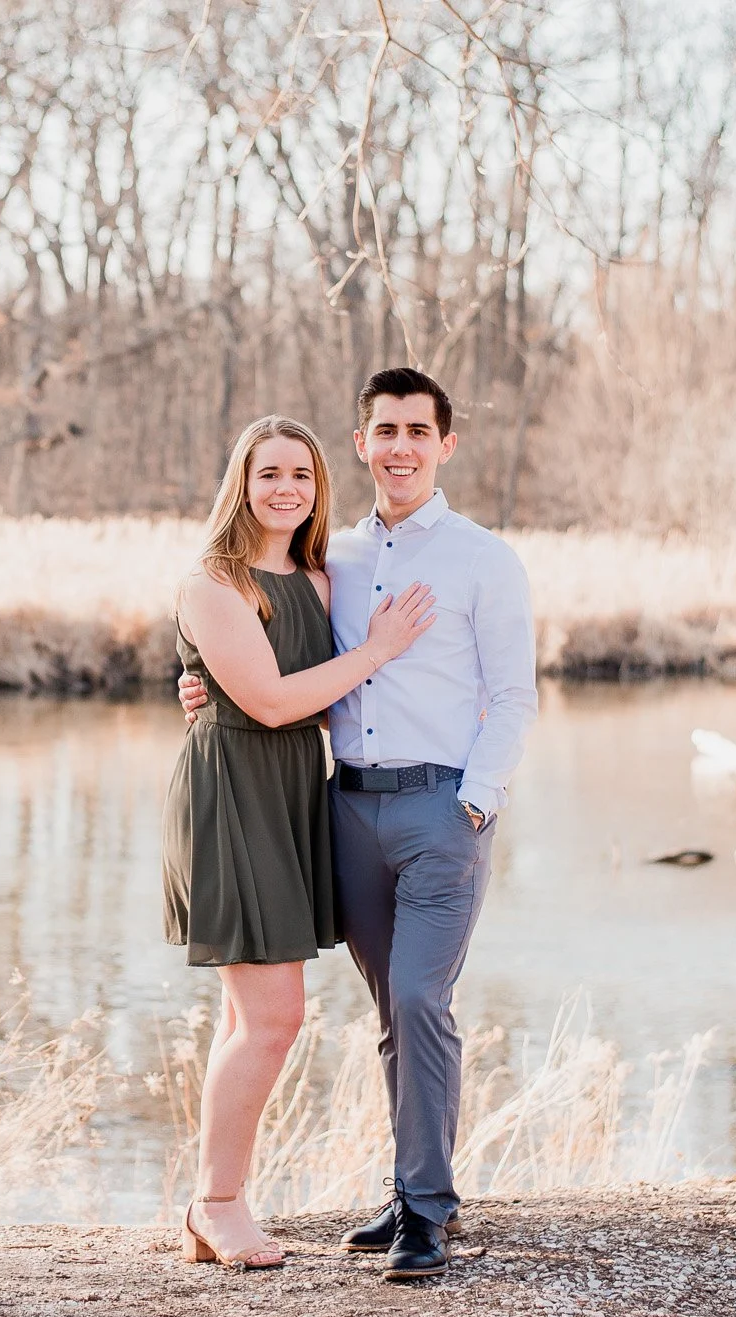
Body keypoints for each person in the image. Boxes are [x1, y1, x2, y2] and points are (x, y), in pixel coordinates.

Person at [180, 368, 537, 1281]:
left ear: (445, 445)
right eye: (387, 430)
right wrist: (194, 687)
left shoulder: (482, 558)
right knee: (388, 1008)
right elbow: (255, 654)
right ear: (364, 443)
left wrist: (477, 799)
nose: (403, 446)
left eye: (420, 431)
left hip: (438, 810)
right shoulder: (328, 558)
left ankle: (426, 1208)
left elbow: (513, 694)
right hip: (339, 808)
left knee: (420, 1000)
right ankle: (397, 1191)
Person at [162, 413, 436, 1271]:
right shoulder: (215, 583)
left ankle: (208, 1207)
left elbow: (316, 697)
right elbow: (278, 701)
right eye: (269, 472)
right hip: (231, 795)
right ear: (240, 482)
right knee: (276, 1018)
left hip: (289, 791)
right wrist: (383, 648)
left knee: (247, 1017)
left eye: (303, 476)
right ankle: (219, 1202)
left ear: (319, 488)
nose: (286, 488)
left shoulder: (319, 579)